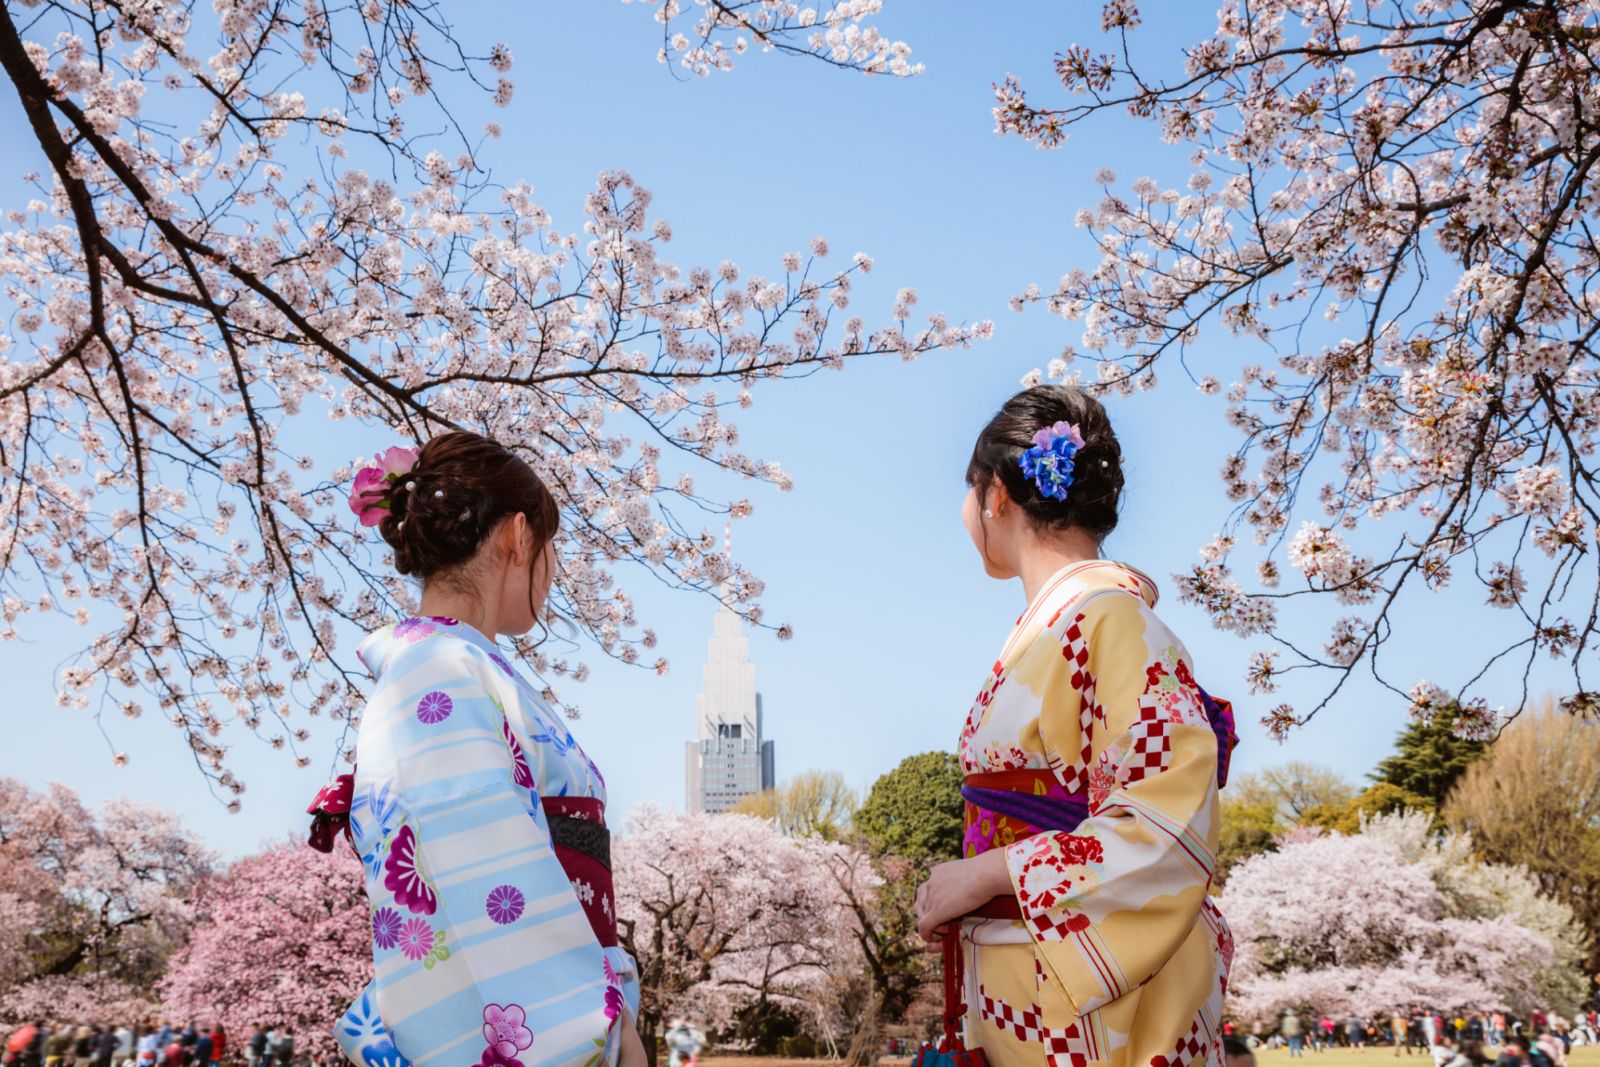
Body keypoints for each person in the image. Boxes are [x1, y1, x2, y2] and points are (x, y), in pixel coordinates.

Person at [909, 387, 1237, 1067]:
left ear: (996, 493)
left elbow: (1163, 826)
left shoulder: (1111, 622)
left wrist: (990, 871)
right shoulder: (1069, 626)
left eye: (969, 490)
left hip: (1080, 1004)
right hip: (1023, 980)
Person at [309, 434, 644, 1067]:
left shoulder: (448, 668)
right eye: (550, 549)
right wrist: (602, 1032)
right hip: (557, 1029)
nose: (550, 571)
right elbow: (488, 886)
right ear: (519, 535)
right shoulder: (438, 673)